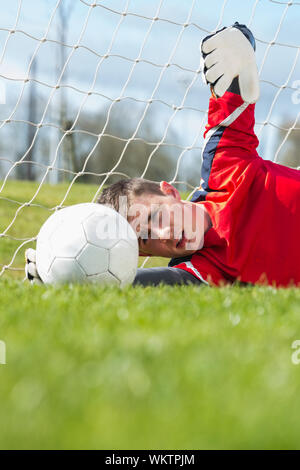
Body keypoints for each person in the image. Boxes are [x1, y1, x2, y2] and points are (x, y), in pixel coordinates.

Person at [26, 23, 300, 288]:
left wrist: (238, 40)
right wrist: (64, 274)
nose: (164, 235)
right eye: (145, 240)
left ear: (169, 191)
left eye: (155, 217)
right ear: (141, 255)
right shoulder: (201, 269)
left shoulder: (225, 167)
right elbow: (144, 284)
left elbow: (232, 64)